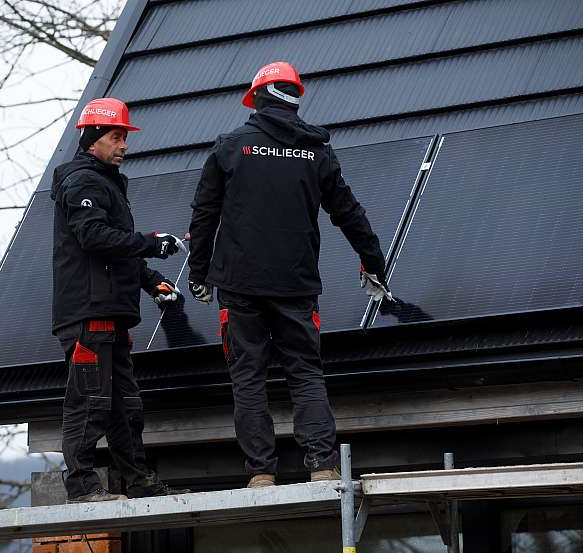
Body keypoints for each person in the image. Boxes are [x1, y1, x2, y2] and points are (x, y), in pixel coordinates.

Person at [187, 62, 393, 488]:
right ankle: (322, 466)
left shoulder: (231, 146)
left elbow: (204, 214)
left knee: (248, 376)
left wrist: (199, 272)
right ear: (294, 99)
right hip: (296, 285)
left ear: (258, 99)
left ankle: (261, 473)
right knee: (305, 372)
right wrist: (373, 262)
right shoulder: (316, 151)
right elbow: (349, 213)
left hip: (240, 286)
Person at [51, 97, 188, 502]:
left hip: (110, 314)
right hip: (89, 313)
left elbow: (116, 249)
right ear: (93, 139)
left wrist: (151, 282)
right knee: (89, 403)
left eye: (125, 137)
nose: (124, 144)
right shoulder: (83, 182)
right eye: (116, 136)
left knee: (126, 409)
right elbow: (93, 237)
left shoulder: (106, 182)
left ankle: (140, 483)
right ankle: (82, 488)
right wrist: (150, 244)